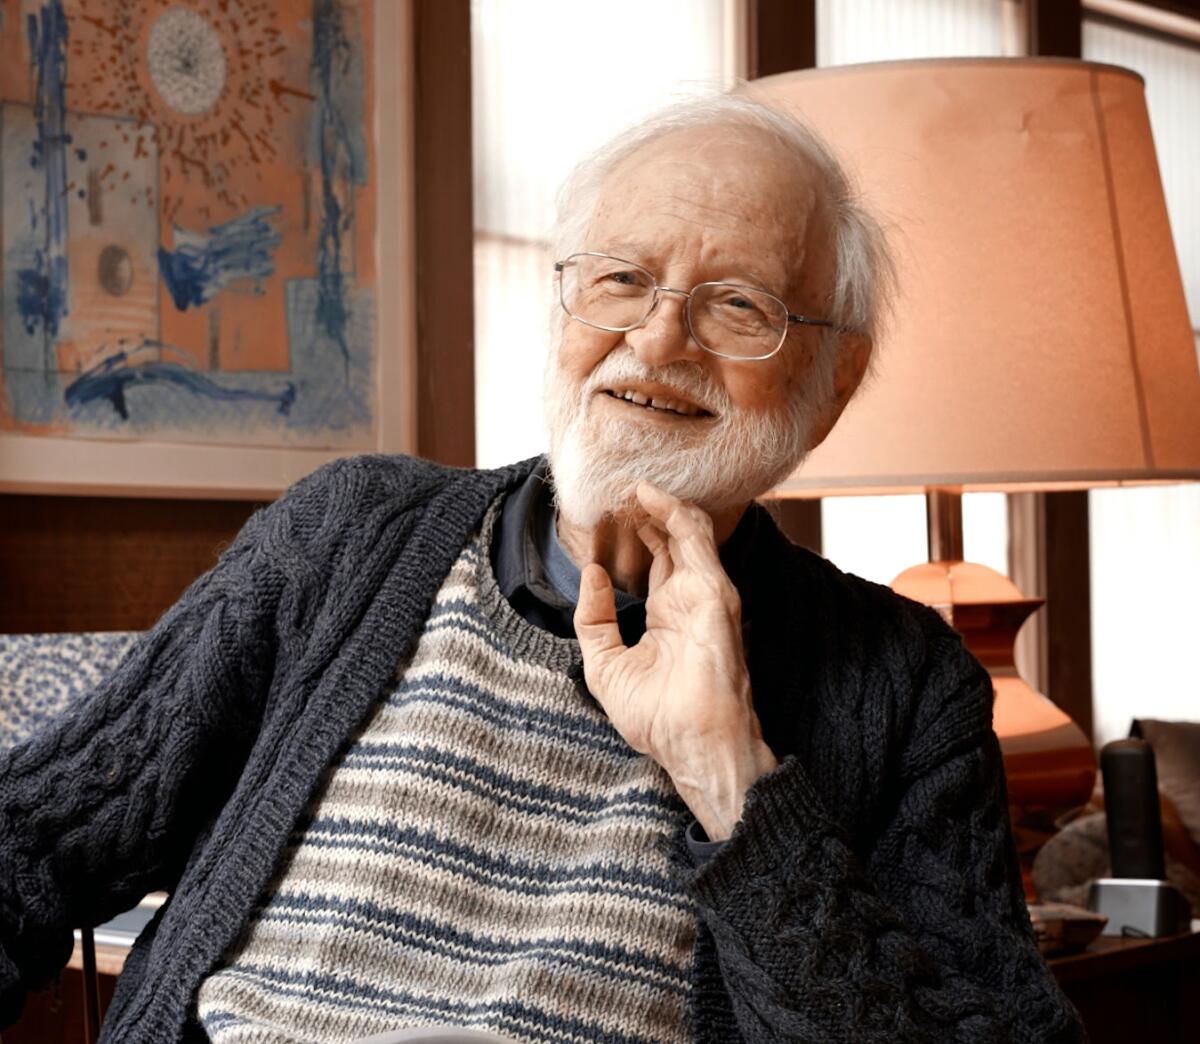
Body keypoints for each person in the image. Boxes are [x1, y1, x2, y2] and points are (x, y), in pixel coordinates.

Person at [0, 95, 1086, 1043]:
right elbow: (35, 843)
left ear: (833, 378)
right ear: (566, 300)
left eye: (739, 305)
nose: (659, 343)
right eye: (622, 278)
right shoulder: (348, 535)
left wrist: (737, 785)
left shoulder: (903, 686)